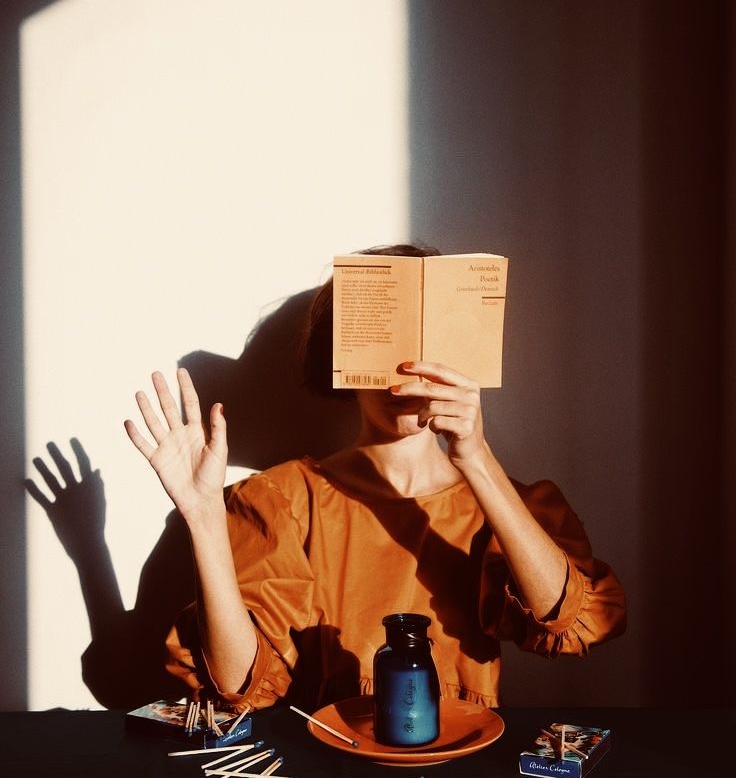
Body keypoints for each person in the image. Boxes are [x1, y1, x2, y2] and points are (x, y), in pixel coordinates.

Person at [124, 244, 625, 714]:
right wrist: (205, 516)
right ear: (341, 359)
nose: (407, 374)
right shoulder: (283, 501)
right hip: (323, 764)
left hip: (459, 764)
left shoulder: (503, 504)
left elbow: (577, 625)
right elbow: (236, 687)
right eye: (383, 346)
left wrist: (474, 458)